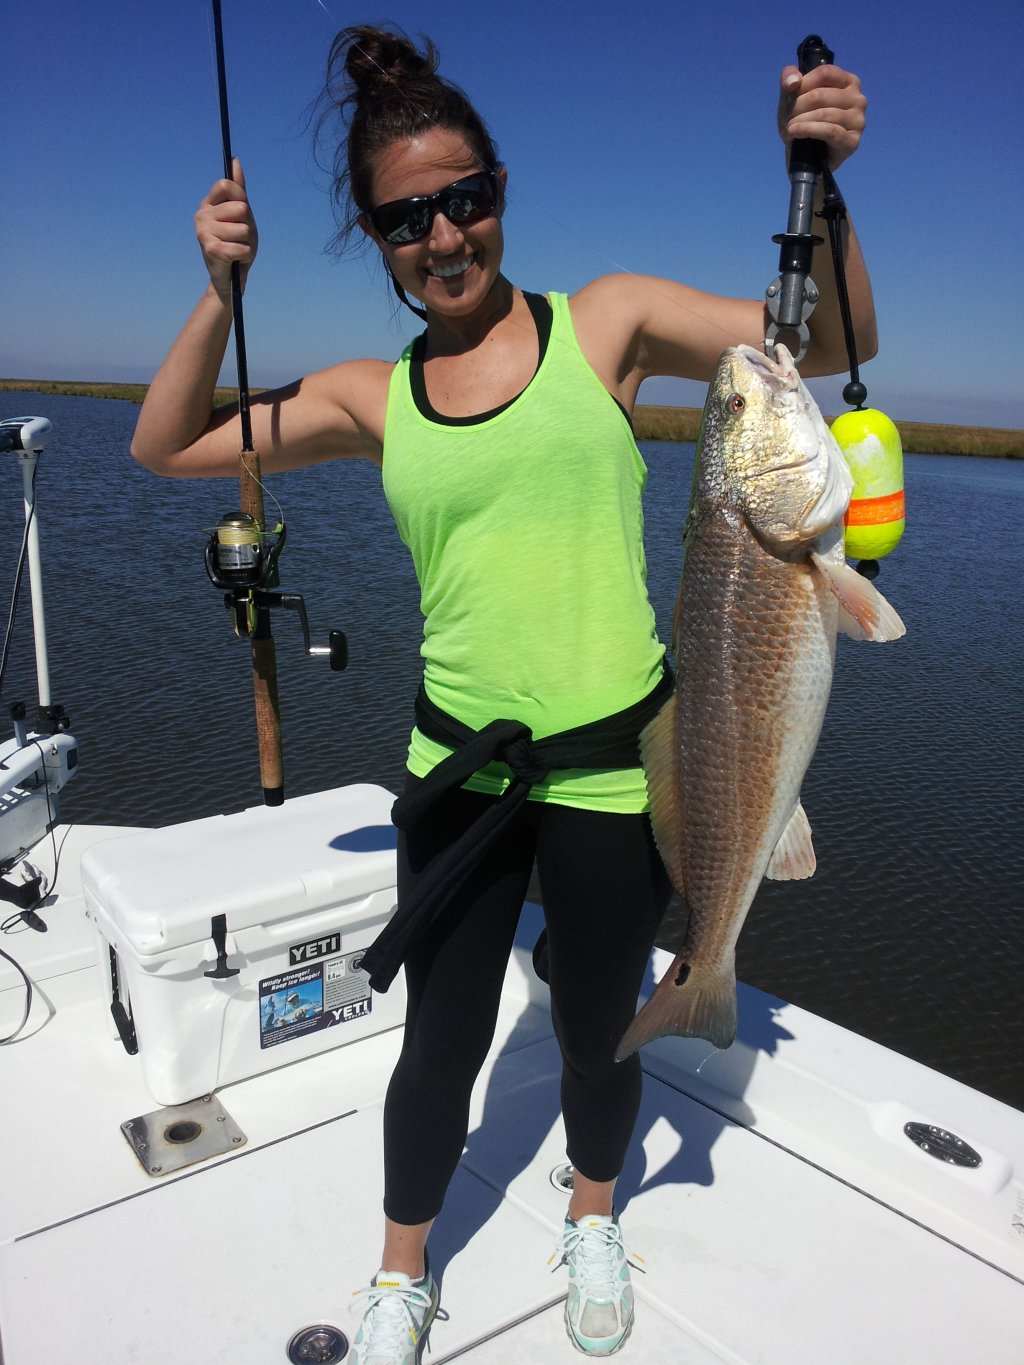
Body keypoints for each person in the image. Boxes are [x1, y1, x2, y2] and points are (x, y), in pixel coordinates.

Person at [132, 25, 875, 1362]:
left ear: (501, 193)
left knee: (599, 1026)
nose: (444, 233)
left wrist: (823, 182)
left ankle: (595, 1212)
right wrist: (219, 295)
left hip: (618, 768)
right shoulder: (376, 396)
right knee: (441, 1042)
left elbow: (823, 343)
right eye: (408, 216)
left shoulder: (610, 322)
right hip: (461, 777)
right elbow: (167, 441)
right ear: (377, 237)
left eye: (464, 197)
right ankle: (401, 1267)